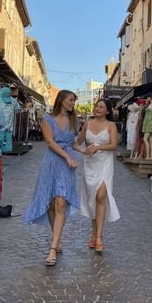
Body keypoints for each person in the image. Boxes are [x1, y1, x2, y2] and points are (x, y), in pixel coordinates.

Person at [23, 90, 83, 266]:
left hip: (66, 165)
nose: (73, 103)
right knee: (50, 203)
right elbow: (50, 142)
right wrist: (67, 156)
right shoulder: (47, 119)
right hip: (52, 162)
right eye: (71, 100)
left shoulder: (74, 120)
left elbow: (73, 142)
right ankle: (57, 239)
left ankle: (52, 247)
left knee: (61, 202)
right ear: (62, 100)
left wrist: (83, 150)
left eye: (74, 101)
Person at [76, 98, 120, 253]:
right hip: (90, 165)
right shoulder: (87, 124)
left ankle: (99, 236)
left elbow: (114, 145)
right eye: (97, 106)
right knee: (92, 199)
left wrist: (97, 147)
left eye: (101, 107)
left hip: (104, 164)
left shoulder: (111, 125)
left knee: (101, 196)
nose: (98, 109)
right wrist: (85, 151)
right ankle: (94, 233)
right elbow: (77, 143)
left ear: (107, 111)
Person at [0, 86, 21, 153]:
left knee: (5, 145)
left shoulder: (13, 101)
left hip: (8, 127)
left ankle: (0, 155)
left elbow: (18, 109)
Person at [142, 95, 152, 160]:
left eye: (147, 97)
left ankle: (148, 156)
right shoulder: (149, 104)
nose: (146, 98)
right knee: (151, 140)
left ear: (150, 97)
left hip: (150, 122)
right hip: (147, 122)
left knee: (145, 139)